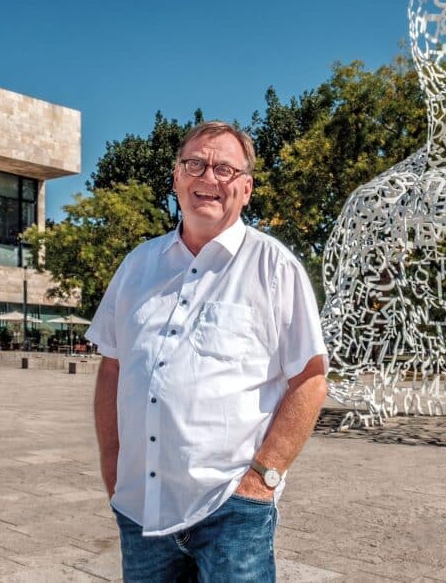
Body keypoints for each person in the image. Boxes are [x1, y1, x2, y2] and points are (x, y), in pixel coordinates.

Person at [88, 121, 328, 582]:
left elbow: (311, 380)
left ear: (246, 187)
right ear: (177, 178)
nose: (208, 178)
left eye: (223, 168)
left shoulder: (274, 267)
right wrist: (113, 464)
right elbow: (113, 367)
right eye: (194, 164)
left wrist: (262, 480)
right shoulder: (138, 266)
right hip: (141, 510)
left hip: (230, 512)